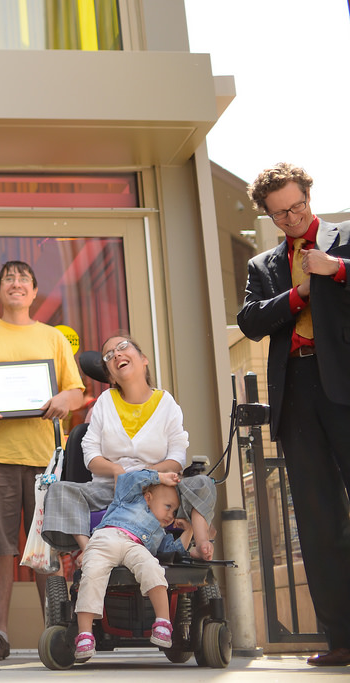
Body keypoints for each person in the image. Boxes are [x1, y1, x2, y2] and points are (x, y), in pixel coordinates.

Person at [237, 163, 350, 667]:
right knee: (318, 520)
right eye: (280, 214)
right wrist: (299, 292)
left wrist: (337, 270)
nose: (292, 217)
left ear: (309, 195)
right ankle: (341, 639)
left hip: (345, 385)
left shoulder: (345, 238)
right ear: (268, 214)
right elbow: (251, 320)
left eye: (297, 206)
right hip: (297, 393)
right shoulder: (263, 265)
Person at [0, 260, 85, 661]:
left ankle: (56, 630)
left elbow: (76, 391)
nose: (15, 284)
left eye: (23, 280)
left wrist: (65, 399)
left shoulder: (53, 339)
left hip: (47, 460)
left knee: (48, 547)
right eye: (8, 279)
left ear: (33, 293)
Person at [42, 335, 216, 561]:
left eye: (123, 347)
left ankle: (202, 545)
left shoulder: (166, 403)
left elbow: (177, 455)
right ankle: (89, 549)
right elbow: (90, 454)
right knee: (60, 490)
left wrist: (149, 475)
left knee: (202, 483)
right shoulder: (105, 402)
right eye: (109, 355)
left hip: (158, 486)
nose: (116, 354)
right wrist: (117, 471)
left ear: (143, 359)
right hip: (111, 490)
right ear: (111, 375)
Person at [72, 469, 193, 662]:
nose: (171, 515)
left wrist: (190, 530)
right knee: (92, 575)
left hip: (135, 547)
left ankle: (162, 623)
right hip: (106, 538)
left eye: (174, 511)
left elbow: (173, 550)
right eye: (168, 506)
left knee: (153, 568)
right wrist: (160, 477)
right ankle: (85, 635)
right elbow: (128, 479)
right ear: (148, 497)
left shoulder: (161, 533)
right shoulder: (128, 499)